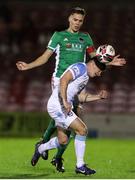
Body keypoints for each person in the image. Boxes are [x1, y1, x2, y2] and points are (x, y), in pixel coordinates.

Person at [16, 7, 126, 172]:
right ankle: (55, 152)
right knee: (71, 120)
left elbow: (95, 60)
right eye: (75, 19)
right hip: (61, 80)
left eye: (80, 20)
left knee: (68, 129)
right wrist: (28, 66)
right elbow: (45, 57)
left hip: (79, 79)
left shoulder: (85, 37)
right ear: (69, 19)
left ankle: (48, 150)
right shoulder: (59, 36)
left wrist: (109, 63)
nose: (77, 23)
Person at [31, 58, 107, 175]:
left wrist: (98, 97)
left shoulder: (85, 77)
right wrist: (65, 100)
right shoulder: (81, 67)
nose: (99, 74)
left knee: (63, 140)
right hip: (58, 105)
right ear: (92, 64)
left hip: (62, 105)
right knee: (82, 130)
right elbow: (63, 79)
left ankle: (40, 148)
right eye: (99, 70)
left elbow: (79, 97)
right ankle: (80, 165)